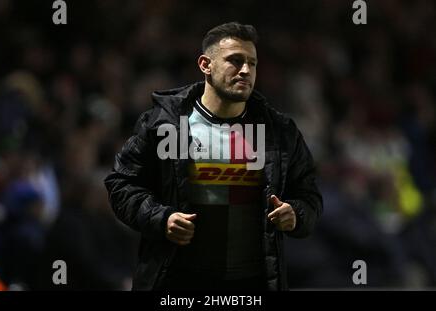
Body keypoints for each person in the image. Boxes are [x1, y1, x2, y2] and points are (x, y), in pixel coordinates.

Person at [104, 22, 323, 291]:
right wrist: (162, 218)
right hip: (179, 284)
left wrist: (296, 214)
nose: (246, 71)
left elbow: (309, 195)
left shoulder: (279, 132)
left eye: (252, 63)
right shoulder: (165, 125)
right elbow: (121, 184)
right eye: (235, 60)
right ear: (205, 65)